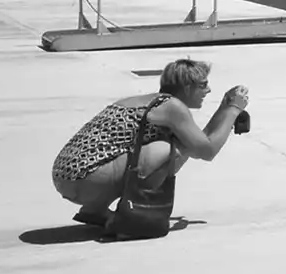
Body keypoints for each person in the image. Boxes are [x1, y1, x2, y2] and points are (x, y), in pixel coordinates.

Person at [50, 57, 249, 229]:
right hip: (84, 178)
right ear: (187, 87)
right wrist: (233, 110)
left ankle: (95, 210)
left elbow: (200, 143)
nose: (208, 90)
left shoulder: (153, 102)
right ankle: (130, 215)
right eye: (203, 85)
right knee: (168, 150)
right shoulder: (172, 107)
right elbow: (207, 151)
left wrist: (225, 108)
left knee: (177, 146)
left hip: (70, 176)